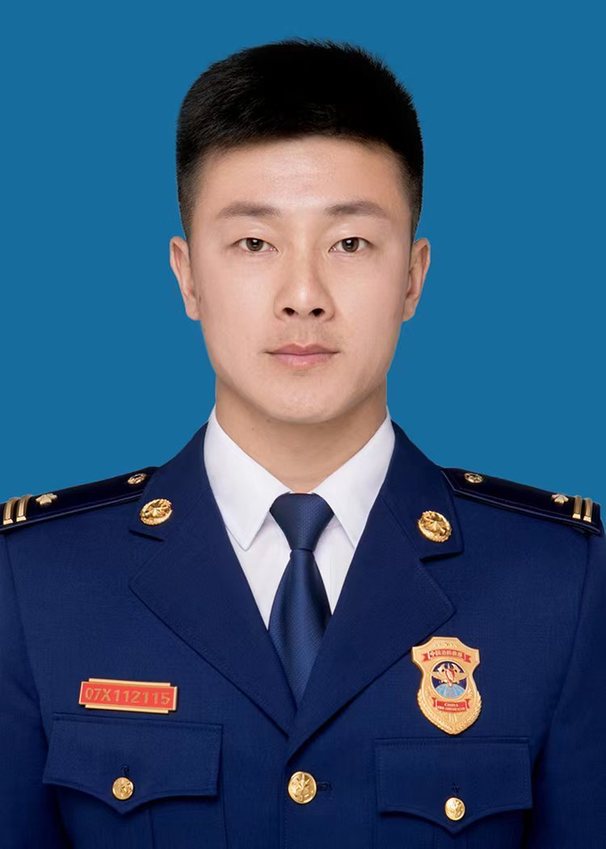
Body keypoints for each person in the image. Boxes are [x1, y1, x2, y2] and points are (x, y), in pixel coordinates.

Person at [1, 37, 604, 849]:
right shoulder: (36, 581)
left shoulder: (559, 582)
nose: (304, 296)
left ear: (413, 275)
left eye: (350, 243)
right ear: (187, 275)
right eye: (255, 243)